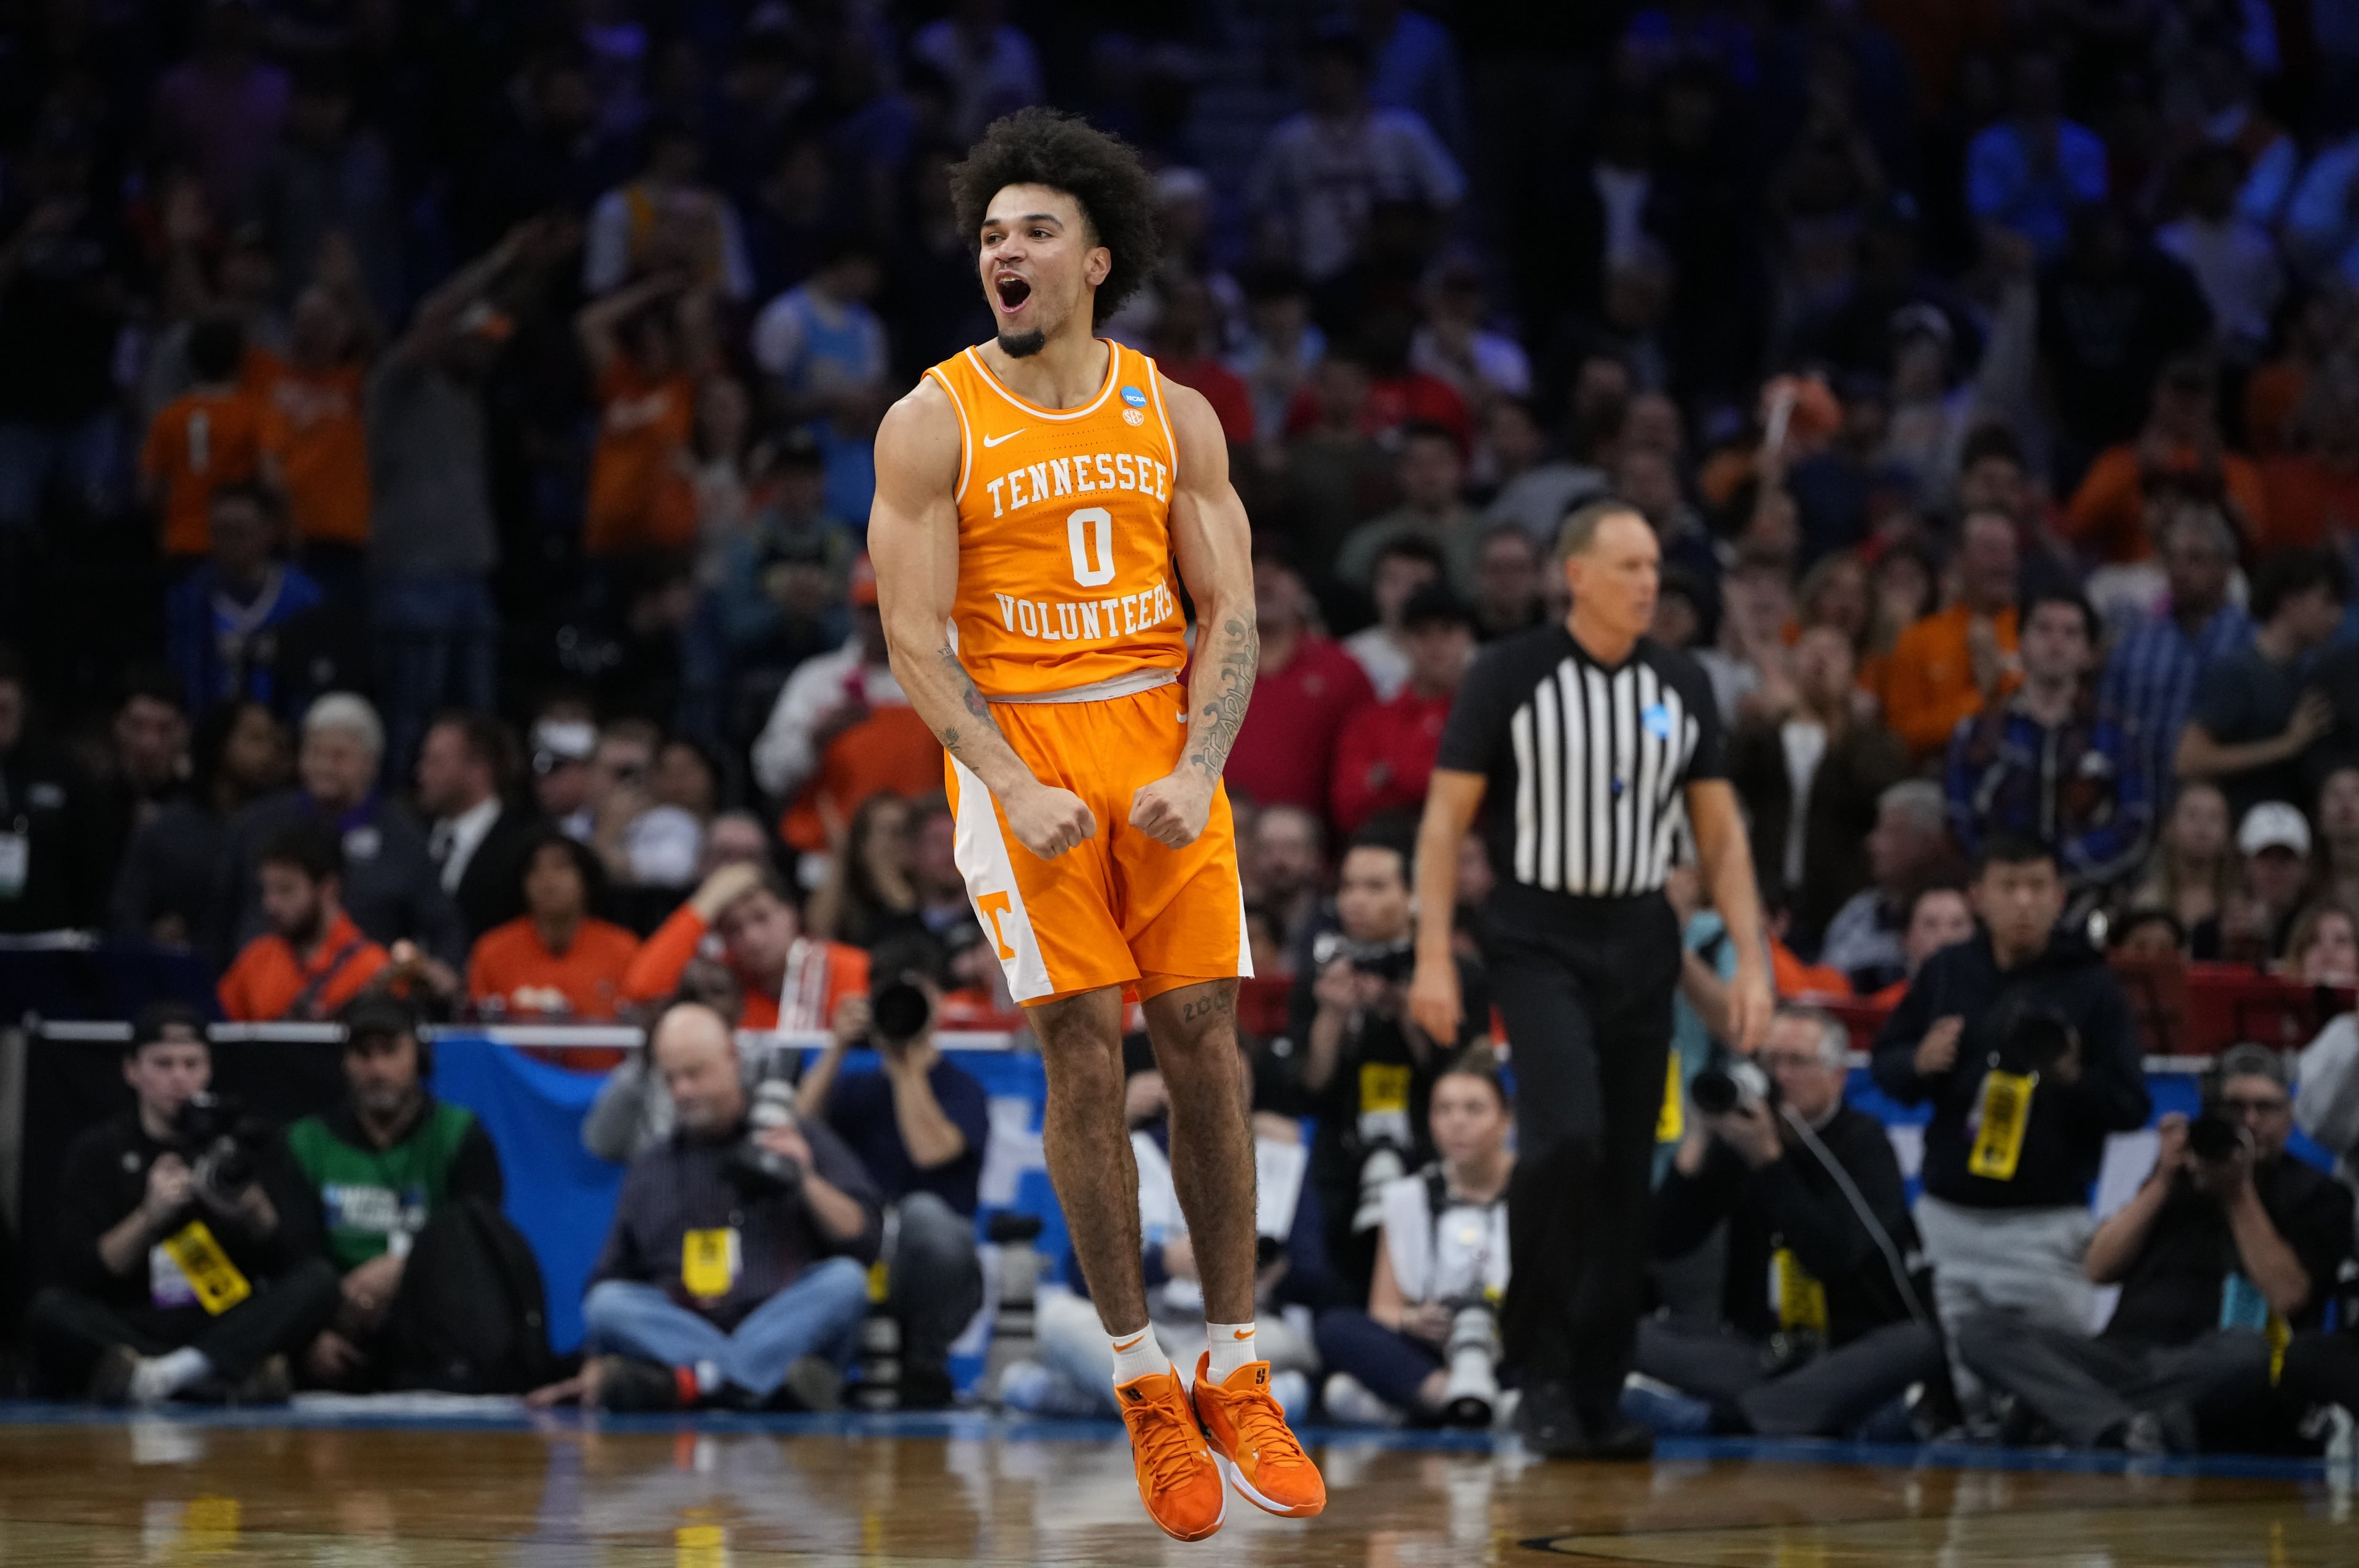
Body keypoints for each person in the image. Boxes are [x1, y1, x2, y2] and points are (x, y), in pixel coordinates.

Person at [865, 109, 1323, 1539]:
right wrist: (1009, 784)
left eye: (1034, 231)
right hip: (1023, 747)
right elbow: (911, 635)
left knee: (1203, 1036)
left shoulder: (1171, 412)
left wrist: (1200, 762)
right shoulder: (932, 419)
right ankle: (1140, 1379)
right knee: (1082, 1044)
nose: (1003, 252)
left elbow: (1231, 611)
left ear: (1095, 258)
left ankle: (1235, 1363)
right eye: (991, 233)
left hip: (1160, 743)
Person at [1409, 497, 1775, 1461]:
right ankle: (1536, 1366)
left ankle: (1597, 1391)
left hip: (1643, 933)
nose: (1650, 583)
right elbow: (1444, 823)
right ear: (1576, 575)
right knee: (1566, 1136)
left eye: (1654, 566)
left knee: (1623, 1168)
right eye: (1629, 566)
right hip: (1537, 933)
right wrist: (1434, 952)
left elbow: (1721, 836)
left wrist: (1754, 959)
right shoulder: (1508, 673)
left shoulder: (1682, 680)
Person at [1870, 835, 2152, 1404]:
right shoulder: (1947, 972)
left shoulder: (2092, 985)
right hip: (1949, 1223)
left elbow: (2132, 1105)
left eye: (2037, 887)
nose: (2024, 901)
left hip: (2045, 1229)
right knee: (1956, 1395)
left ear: (2059, 896)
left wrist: (2073, 1078)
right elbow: (1885, 1066)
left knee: (2052, 1392)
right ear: (1978, 896)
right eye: (2009, 886)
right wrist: (1918, 1061)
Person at [1959, 1046, 2353, 1453]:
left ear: (2289, 1115)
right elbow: (2098, 1267)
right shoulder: (2174, 1177)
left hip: (2211, 1365)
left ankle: (2073, 1412)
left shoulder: (2317, 1194)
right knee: (1982, 1330)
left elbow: (2288, 1295)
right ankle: (2127, 1427)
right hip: (2119, 1353)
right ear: (2211, 1111)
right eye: (2236, 1107)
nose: (2251, 1121)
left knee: (2247, 1353)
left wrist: (2238, 1194)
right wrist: (2162, 1180)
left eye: (2266, 1108)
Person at [541, 1003, 878, 1413]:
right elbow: (607, 1281)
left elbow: (863, 1238)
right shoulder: (652, 1166)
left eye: (695, 1073)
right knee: (607, 1305)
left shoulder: (792, 1135)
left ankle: (697, 1383)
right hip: (684, 1325)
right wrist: (594, 1361)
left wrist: (804, 1177)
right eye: (671, 1078)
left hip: (781, 1320)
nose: (683, 1090)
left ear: (732, 1059)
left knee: (844, 1281)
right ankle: (752, 1384)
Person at [1637, 1010, 1946, 1437]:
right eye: (1770, 1061)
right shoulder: (1741, 1137)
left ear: (1837, 1076)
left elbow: (1831, 1257)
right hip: (1760, 1353)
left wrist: (1770, 1163)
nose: (1780, 1076)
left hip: (1846, 1349)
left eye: (1797, 1062)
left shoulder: (1863, 1142)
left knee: (1919, 1341)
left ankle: (1740, 1416)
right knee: (1629, 1332)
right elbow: (1665, 1243)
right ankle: (1783, 1412)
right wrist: (1696, 1144)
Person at [26, 1003, 338, 1405]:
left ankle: (161, 1377)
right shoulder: (99, 1149)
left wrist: (254, 1211)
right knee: (49, 1310)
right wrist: (148, 1216)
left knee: (320, 1280)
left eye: (192, 1064)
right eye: (163, 1064)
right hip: (136, 1320)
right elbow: (80, 1273)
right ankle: (212, 1376)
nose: (179, 1078)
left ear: (209, 1070)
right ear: (132, 1070)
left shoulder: (247, 1144)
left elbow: (294, 1260)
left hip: (227, 1318)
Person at [1290, 827, 1490, 1299]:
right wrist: (1333, 1016)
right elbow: (1308, 1089)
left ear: (1415, 896)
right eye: (1348, 886)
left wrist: (1406, 1009)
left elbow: (1463, 1078)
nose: (1356, 900)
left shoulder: (1453, 973)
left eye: (1376, 886)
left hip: (1434, 1155)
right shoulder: (1321, 971)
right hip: (1343, 1159)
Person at [794, 934, 990, 1409]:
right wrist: (837, 1047)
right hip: (863, 1253)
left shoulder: (963, 1089)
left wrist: (905, 1063)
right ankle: (824, 1371)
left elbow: (930, 1153)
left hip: (940, 1276)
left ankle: (924, 1364)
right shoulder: (855, 1086)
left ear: (939, 1001)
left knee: (923, 1213)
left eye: (915, 995)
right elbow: (795, 1133)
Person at [284, 996, 510, 1389]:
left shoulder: (460, 1135)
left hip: (432, 1320)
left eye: (390, 1052)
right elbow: (294, 1254)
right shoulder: (305, 1142)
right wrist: (310, 1334)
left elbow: (478, 1245)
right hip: (336, 1319)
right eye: (363, 1055)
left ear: (419, 1057)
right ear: (344, 1063)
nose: (377, 1069)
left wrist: (402, 1266)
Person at [1315, 1050, 1514, 1427]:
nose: (1458, 1123)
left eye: (1474, 1110)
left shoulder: (1536, 1191)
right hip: (1435, 1349)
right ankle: (1458, 1400)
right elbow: (1384, 1308)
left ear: (1506, 1121)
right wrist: (1414, 1320)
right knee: (1336, 1327)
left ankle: (1417, 1408)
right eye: (1444, 1110)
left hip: (1509, 1346)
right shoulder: (1407, 1196)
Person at [212, 692, 466, 969]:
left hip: (368, 987)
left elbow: (444, 929)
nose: (323, 766)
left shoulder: (404, 838)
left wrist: (440, 971)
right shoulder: (256, 825)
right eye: (314, 752)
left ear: (371, 763)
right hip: (261, 986)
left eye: (339, 756)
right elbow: (219, 919)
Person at [1945, 590, 2146, 900]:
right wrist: (2008, 877)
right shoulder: (1977, 733)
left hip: (2091, 898)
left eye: (2071, 633)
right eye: (2043, 629)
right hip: (1996, 898)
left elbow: (2134, 821)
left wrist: (2058, 874)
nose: (2056, 642)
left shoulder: (2120, 734)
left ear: (2089, 652)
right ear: (2020, 642)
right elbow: (1959, 819)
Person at [1726, 623, 1907, 951]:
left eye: (1834, 652)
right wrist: (1765, 717)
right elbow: (1731, 777)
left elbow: (1876, 795)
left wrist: (1844, 727)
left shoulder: (1870, 740)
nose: (1821, 661)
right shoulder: (1764, 734)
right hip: (1765, 889)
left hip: (1839, 895)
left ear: (1852, 669)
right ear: (1792, 662)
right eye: (1811, 650)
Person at [749, 553, 942, 862]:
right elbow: (770, 773)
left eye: (892, 606)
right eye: (871, 609)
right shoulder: (817, 682)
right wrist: (817, 739)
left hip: (920, 860)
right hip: (829, 858)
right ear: (853, 610)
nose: (882, 619)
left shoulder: (943, 682)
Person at [2097, 509, 2253, 812]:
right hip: (2140, 807)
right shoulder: (2134, 644)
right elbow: (2106, 724)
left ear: (2225, 567)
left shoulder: (2251, 644)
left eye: (2196, 559)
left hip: (2223, 812)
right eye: (2173, 559)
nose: (2181, 571)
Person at [2177, 547, 2348, 821]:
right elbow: (2189, 760)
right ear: (2289, 603)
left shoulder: (2306, 676)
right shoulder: (2238, 672)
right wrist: (2285, 745)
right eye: (2326, 601)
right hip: (2241, 829)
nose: (2336, 616)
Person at [112, 700, 291, 946]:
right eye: (255, 739)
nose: (268, 753)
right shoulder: (167, 829)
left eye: (272, 741)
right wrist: (151, 938)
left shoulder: (283, 829)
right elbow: (125, 914)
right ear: (220, 743)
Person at [620, 860, 869, 1032]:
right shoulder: (719, 980)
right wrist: (706, 902)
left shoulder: (848, 967)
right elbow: (642, 991)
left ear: (791, 913)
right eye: (734, 929)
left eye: (762, 917)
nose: (752, 938)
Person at [1226, 540, 1377, 821]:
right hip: (1210, 837)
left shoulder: (1342, 671)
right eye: (1252, 566)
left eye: (1281, 569)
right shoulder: (1193, 667)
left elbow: (1364, 766)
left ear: (1303, 587)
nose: (1265, 579)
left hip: (1312, 839)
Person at [162, 483, 324, 718]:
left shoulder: (304, 597)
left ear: (269, 531)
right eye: (220, 532)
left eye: (239, 532)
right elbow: (183, 675)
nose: (230, 542)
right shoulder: (191, 598)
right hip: (211, 725)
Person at [1331, 585, 1474, 838]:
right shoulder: (1370, 720)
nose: (1435, 645)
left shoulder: (1483, 717)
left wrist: (1390, 776)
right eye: (1422, 633)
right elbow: (1347, 808)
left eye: (1447, 631)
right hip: (1385, 846)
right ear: (1405, 642)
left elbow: (1482, 801)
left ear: (1467, 639)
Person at [1880, 509, 2021, 760]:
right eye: (1991, 550)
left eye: (2010, 551)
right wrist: (1985, 698)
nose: (2004, 563)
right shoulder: (1919, 638)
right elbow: (1902, 734)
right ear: (1959, 559)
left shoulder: (2036, 631)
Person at [217, 822, 391, 1023]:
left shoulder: (373, 967)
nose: (270, 904)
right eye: (267, 890)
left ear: (328, 889)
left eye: (286, 890)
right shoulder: (256, 959)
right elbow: (218, 1027)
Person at [465, 835, 641, 1021]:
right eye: (535, 870)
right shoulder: (493, 951)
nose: (548, 880)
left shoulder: (623, 949)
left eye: (560, 867)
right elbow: (475, 1024)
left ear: (586, 879)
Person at [1816, 781, 1955, 998]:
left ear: (1929, 841)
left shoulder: (1961, 910)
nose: (1873, 844)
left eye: (1890, 832)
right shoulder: (1858, 912)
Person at [414, 711, 541, 943]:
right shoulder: (410, 833)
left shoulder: (523, 845)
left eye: (436, 762)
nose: (421, 773)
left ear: (479, 769)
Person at [1336, 422, 1481, 595]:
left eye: (1439, 461)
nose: (1429, 473)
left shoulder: (1488, 538)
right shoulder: (1369, 541)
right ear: (1400, 472)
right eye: (1416, 463)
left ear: (1460, 468)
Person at [2124, 781, 2237, 959]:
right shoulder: (2146, 903)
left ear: (2229, 834)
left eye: (2214, 818)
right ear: (2168, 827)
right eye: (2192, 815)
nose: (2203, 825)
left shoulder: (2238, 907)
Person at [1340, 534, 1445, 701]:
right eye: (1393, 581)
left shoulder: (1466, 658)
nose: (1404, 594)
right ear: (1375, 588)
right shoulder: (1351, 656)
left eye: (1418, 585)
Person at [2224, 801, 2317, 965]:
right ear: (2244, 863)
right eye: (2265, 855)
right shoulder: (2214, 930)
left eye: (2286, 857)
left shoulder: (2320, 932)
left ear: (2305, 866)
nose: (2274, 866)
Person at [1864, 884, 1978, 1007]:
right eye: (1931, 924)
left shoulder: (1991, 1004)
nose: (1945, 936)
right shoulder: (1882, 1008)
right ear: (1906, 938)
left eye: (1958, 924)